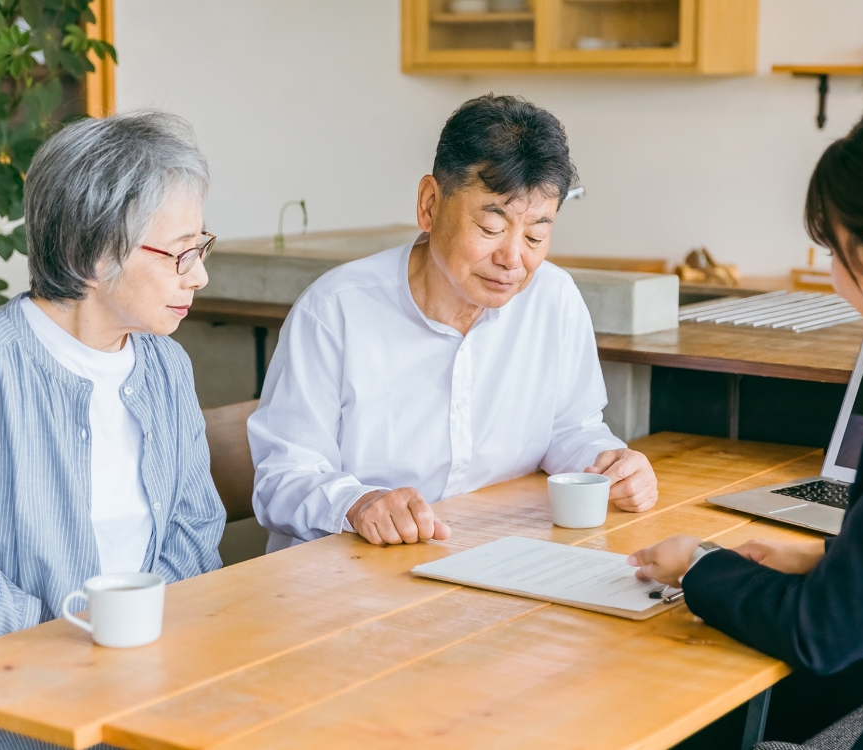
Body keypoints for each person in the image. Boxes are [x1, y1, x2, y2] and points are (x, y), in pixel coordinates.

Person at [628, 95, 863, 750]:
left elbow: (826, 633)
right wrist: (822, 558)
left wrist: (696, 565)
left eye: (835, 255)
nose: (836, 280)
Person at [0, 112, 226, 750]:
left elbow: (195, 533)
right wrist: (93, 638)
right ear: (92, 254)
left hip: (137, 692)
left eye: (202, 245)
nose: (200, 275)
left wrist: (139, 650)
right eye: (179, 253)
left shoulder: (165, 366)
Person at [249, 94, 658, 553]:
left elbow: (569, 429)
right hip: (348, 576)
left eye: (536, 235)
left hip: (492, 556)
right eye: (490, 229)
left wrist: (607, 464)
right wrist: (359, 503)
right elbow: (282, 479)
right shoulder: (335, 311)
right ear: (429, 204)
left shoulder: (554, 299)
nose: (512, 259)